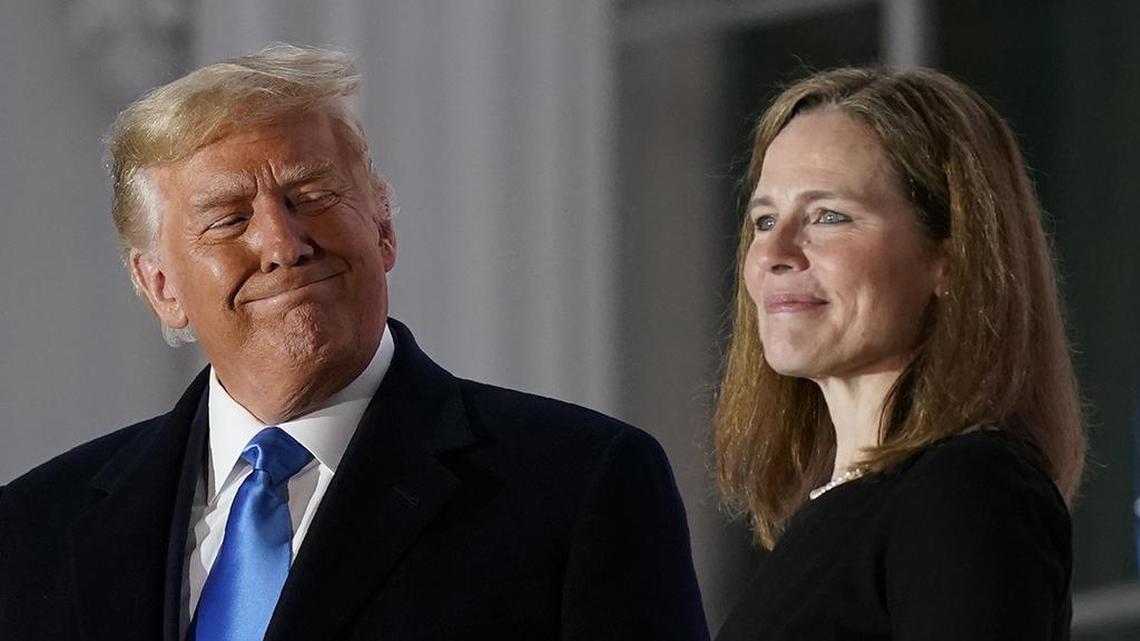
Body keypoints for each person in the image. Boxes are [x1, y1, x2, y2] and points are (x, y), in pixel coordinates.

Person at [0, 44, 709, 641]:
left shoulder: (579, 486)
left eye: (312, 193)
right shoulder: (32, 531)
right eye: (227, 219)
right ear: (160, 286)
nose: (283, 242)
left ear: (383, 226)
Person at [713, 67, 1084, 640]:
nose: (774, 254)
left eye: (827, 216)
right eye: (764, 221)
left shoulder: (966, 491)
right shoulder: (842, 515)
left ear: (951, 259)